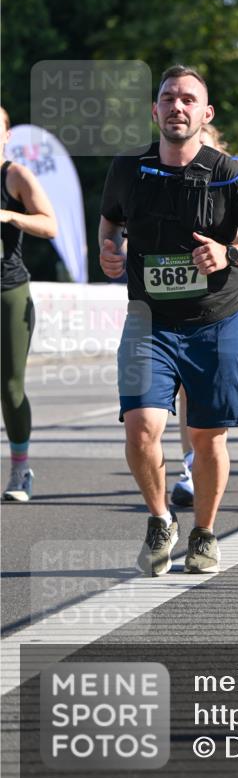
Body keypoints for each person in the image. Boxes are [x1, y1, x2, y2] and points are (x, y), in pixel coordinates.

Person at [99, 66, 238, 575]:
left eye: (188, 99)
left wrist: (231, 254)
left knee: (207, 437)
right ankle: (161, 519)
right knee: (141, 428)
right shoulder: (128, 169)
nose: (176, 107)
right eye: (167, 98)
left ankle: (204, 532)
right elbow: (112, 218)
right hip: (150, 322)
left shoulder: (230, 172)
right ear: (155, 110)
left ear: (205, 114)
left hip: (216, 320)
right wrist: (108, 248)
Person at [171, 122, 238, 505]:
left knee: (225, 379)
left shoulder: (234, 179)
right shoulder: (174, 183)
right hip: (189, 295)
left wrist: (223, 244)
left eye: (206, 147)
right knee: (186, 383)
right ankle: (191, 468)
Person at [1, 107, 58, 502]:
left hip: (8, 290)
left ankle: (20, 469)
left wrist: (8, 215)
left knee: (9, 385)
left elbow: (49, 223)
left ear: (6, 136)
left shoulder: (15, 176)